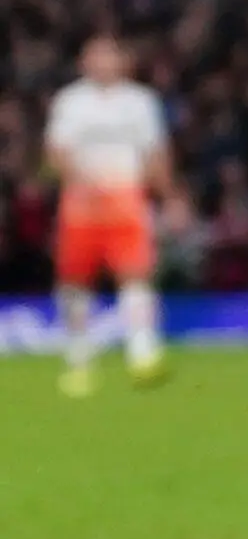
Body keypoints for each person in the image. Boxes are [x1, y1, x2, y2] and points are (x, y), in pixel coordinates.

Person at [44, 34, 175, 394]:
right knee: (74, 283)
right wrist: (80, 182)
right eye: (95, 55)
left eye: (109, 55)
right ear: (84, 61)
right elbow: (56, 153)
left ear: (123, 61)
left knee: (135, 276)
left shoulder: (140, 102)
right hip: (81, 203)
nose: (103, 62)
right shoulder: (71, 102)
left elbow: (155, 153)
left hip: (126, 199)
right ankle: (78, 359)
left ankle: (143, 355)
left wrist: (170, 196)